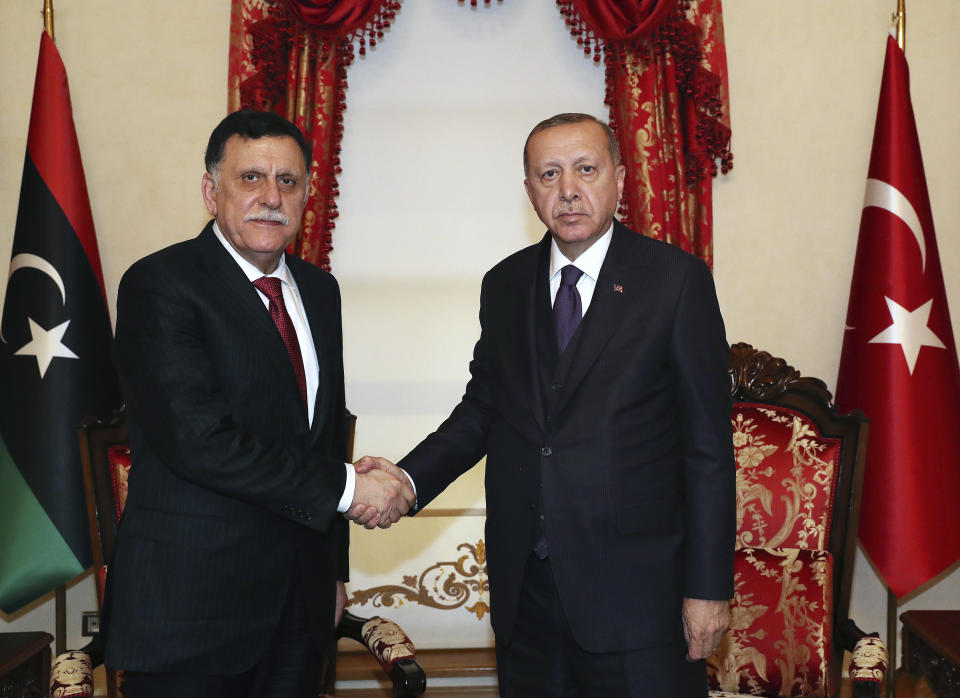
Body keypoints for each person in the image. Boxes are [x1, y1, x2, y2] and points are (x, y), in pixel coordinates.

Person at [360, 113, 736, 696]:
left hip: (640, 598)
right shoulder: (505, 285)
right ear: (529, 189)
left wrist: (708, 588)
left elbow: (709, 449)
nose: (568, 191)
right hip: (526, 597)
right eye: (548, 174)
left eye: (586, 170)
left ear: (619, 176)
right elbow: (483, 409)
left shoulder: (674, 281)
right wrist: (408, 480)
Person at [103, 109, 414, 698]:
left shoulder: (320, 291)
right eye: (251, 178)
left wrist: (336, 575)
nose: (271, 197)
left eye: (288, 182)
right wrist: (351, 490)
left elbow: (323, 441)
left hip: (300, 612)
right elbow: (200, 441)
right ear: (209, 190)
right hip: (190, 614)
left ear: (306, 195)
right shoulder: (159, 284)